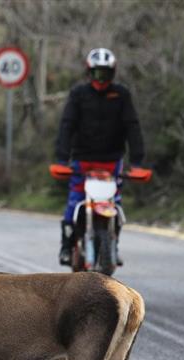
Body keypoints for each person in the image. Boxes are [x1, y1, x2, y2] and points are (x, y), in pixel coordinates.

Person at [55, 47, 145, 266]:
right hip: (82, 162)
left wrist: (137, 162)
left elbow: (132, 127)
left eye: (106, 73)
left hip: (112, 163)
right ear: (89, 72)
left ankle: (113, 244)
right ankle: (66, 246)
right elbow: (67, 125)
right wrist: (62, 159)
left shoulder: (121, 95)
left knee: (115, 202)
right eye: (97, 73)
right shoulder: (78, 94)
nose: (101, 78)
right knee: (74, 202)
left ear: (113, 73)